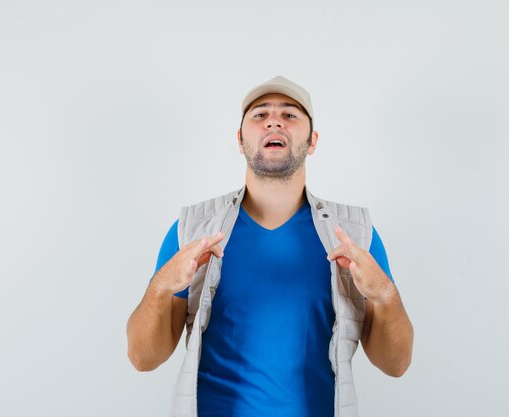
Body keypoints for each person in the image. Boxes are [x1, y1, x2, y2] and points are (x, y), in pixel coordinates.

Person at [126, 76, 414, 417]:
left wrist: (384, 295)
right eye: (259, 115)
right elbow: (144, 359)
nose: (274, 121)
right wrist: (161, 288)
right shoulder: (192, 229)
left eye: (290, 115)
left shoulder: (354, 234)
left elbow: (395, 365)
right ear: (240, 138)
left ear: (312, 141)